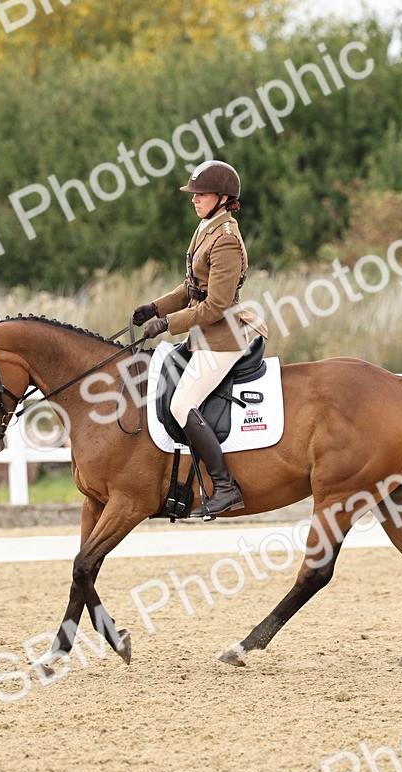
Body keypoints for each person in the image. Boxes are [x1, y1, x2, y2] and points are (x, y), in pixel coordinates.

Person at [131, 160, 269, 517]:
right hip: (201, 336)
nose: (194, 200)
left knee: (182, 404)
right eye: (193, 194)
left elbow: (217, 305)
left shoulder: (226, 240)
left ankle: (225, 487)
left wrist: (167, 323)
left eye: (201, 194)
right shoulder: (207, 227)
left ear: (223, 198)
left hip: (223, 338)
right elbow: (191, 287)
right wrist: (154, 307)